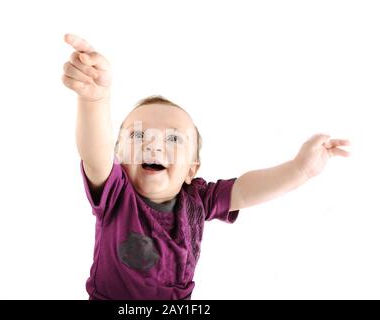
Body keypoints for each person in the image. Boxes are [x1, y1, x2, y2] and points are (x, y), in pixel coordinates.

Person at [61, 33, 351, 300]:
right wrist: (95, 99)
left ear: (191, 169)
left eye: (173, 138)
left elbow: (247, 190)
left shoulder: (196, 200)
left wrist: (300, 169)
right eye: (138, 135)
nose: (154, 145)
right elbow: (94, 152)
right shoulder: (116, 196)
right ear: (120, 157)